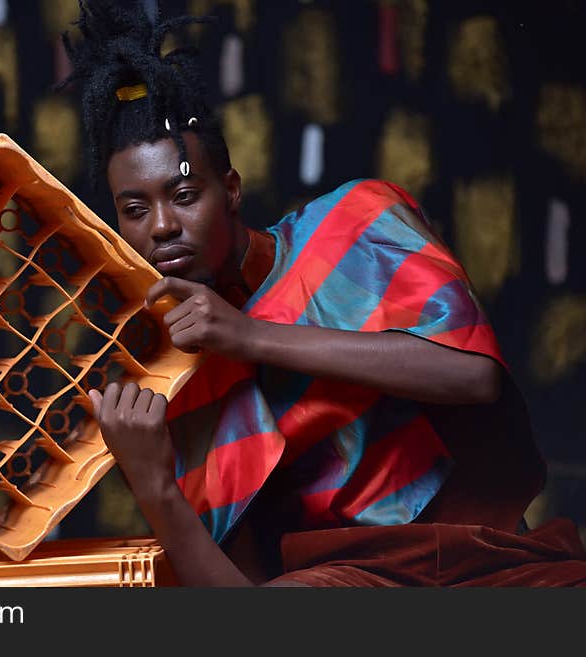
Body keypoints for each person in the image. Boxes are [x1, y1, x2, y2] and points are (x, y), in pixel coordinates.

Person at [58, 0, 586, 586]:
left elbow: (473, 376)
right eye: (135, 209)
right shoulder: (170, 383)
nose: (161, 226)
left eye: (184, 196)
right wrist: (155, 487)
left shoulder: (355, 224)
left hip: (478, 556)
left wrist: (249, 334)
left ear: (229, 189)